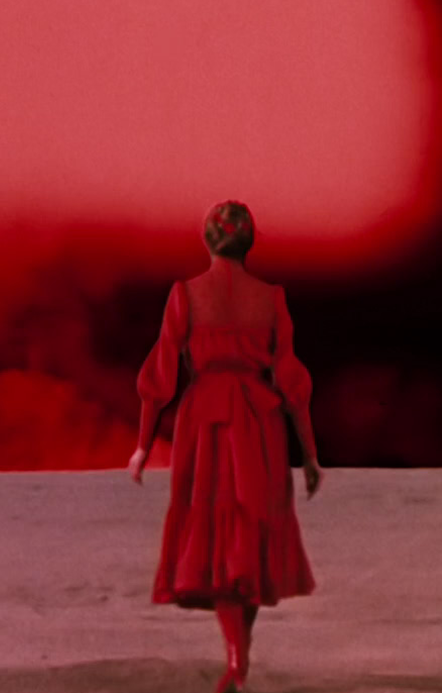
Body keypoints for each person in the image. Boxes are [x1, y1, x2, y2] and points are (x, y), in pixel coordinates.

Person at [126, 200, 323, 693]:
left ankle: (237, 659)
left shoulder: (185, 295)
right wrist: (309, 453)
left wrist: (143, 444)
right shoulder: (271, 298)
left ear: (208, 239)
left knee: (219, 537)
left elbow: (160, 375)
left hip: (206, 423)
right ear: (248, 241)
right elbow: (292, 380)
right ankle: (239, 658)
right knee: (249, 536)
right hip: (258, 422)